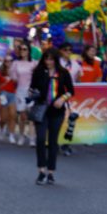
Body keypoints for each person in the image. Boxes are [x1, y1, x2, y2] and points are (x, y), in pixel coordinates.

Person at [29, 48, 74, 185]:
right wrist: (34, 94)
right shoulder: (38, 72)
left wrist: (62, 99)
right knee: (41, 139)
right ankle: (41, 171)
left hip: (56, 111)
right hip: (42, 110)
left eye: (51, 59)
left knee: (53, 141)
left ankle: (51, 172)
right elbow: (32, 88)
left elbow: (71, 90)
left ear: (55, 60)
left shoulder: (63, 73)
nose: (48, 62)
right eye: (46, 59)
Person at [9, 43, 35, 146]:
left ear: (29, 51)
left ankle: (32, 138)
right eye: (21, 49)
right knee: (22, 115)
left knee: (32, 116)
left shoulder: (34, 63)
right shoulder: (16, 63)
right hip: (20, 90)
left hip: (31, 91)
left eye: (25, 49)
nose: (23, 51)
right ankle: (21, 135)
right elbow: (13, 78)